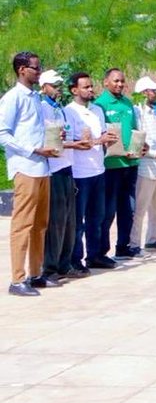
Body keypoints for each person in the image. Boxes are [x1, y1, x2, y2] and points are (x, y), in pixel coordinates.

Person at [0, 52, 55, 296]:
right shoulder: (13, 98)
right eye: (35, 67)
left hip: (43, 167)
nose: (39, 71)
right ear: (22, 70)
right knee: (22, 225)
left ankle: (35, 273)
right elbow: (3, 134)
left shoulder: (36, 98)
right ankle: (17, 279)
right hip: (25, 167)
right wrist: (32, 149)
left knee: (40, 224)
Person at [64, 72, 114, 271]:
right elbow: (72, 142)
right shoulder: (69, 112)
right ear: (74, 90)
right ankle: (75, 259)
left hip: (98, 170)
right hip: (79, 173)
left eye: (91, 86)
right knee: (78, 221)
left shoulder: (97, 110)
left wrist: (107, 138)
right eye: (86, 87)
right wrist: (97, 141)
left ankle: (95, 255)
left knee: (98, 217)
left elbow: (101, 134)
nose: (90, 90)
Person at [95, 68, 141, 258]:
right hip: (111, 166)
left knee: (128, 208)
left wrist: (140, 146)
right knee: (108, 211)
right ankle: (100, 251)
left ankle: (123, 245)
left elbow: (134, 130)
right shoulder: (100, 105)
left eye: (122, 81)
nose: (120, 84)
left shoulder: (128, 103)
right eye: (116, 81)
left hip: (130, 164)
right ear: (106, 82)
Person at [37, 70, 76, 280]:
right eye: (53, 85)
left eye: (59, 84)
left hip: (67, 166)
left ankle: (64, 264)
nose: (57, 89)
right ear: (44, 87)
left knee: (69, 220)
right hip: (53, 169)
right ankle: (49, 268)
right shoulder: (42, 108)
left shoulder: (59, 109)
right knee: (55, 221)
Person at [131, 76, 156, 251]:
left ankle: (152, 239)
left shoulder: (154, 112)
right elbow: (139, 142)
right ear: (144, 92)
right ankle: (134, 244)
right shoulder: (137, 113)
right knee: (140, 208)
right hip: (145, 167)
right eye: (153, 90)